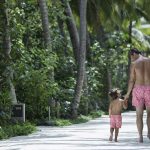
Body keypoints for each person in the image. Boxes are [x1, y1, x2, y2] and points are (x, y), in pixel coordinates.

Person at [124, 48, 150, 143]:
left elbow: (131, 80)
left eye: (130, 56)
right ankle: (149, 132)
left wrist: (127, 95)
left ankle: (140, 136)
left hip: (138, 89)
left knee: (139, 115)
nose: (130, 58)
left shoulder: (134, 64)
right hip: (149, 89)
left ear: (134, 53)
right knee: (149, 114)